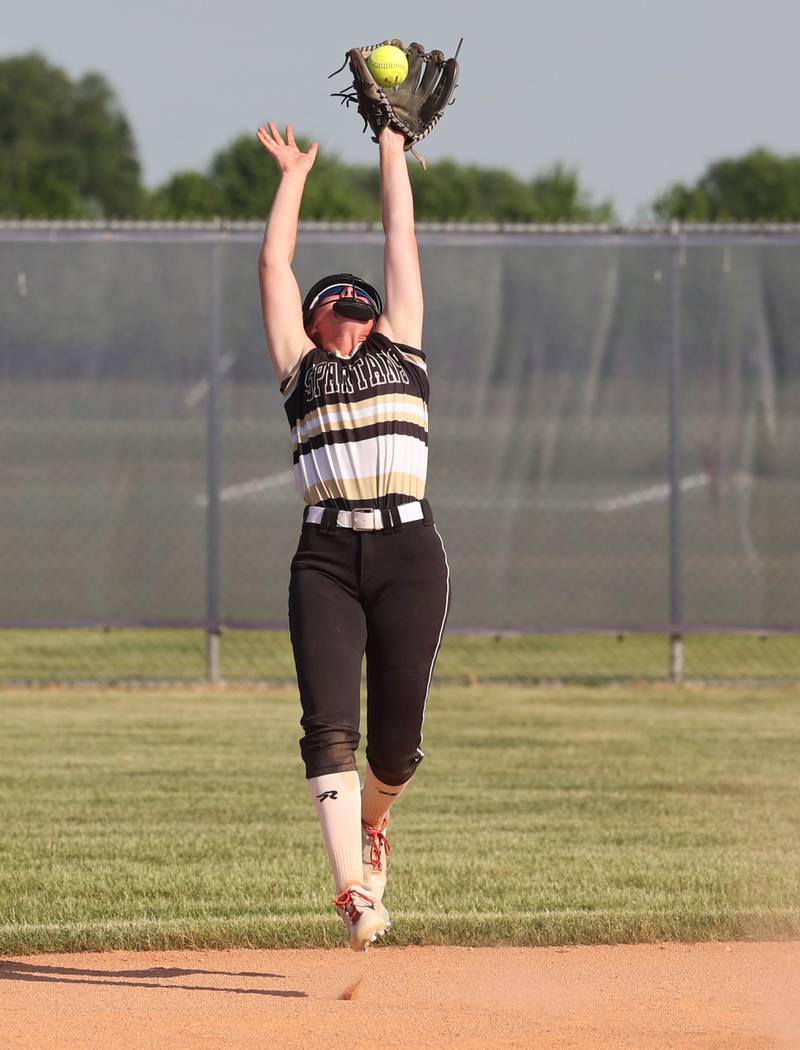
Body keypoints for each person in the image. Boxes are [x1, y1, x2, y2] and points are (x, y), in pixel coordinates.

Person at [256, 121, 450, 951]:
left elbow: (398, 235)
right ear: (314, 318)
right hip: (326, 558)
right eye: (337, 301)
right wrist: (293, 174)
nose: (353, 307)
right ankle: (350, 893)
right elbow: (273, 266)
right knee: (326, 724)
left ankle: (376, 819)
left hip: (409, 553)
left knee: (398, 748)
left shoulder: (403, 349)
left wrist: (391, 145)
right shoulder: (301, 372)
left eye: (360, 301)